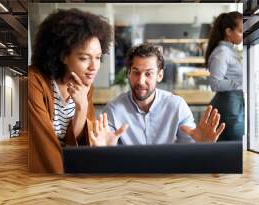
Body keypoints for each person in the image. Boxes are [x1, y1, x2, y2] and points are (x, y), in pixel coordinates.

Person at [28, 9, 125, 173]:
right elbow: (43, 145)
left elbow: (77, 144)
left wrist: (81, 108)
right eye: (84, 58)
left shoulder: (86, 87)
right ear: (63, 56)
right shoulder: (34, 81)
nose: (94, 67)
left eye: (98, 57)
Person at [89, 43, 225, 146]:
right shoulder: (114, 110)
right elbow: (105, 146)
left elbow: (191, 150)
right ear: (128, 74)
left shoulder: (176, 106)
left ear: (159, 75)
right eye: (136, 72)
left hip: (169, 179)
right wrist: (103, 150)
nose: (141, 81)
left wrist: (204, 146)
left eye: (148, 74)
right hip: (129, 179)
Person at [205, 11, 244, 141]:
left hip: (234, 104)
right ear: (228, 31)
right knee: (234, 145)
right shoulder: (222, 52)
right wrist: (242, 82)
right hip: (228, 106)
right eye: (240, 31)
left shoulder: (229, 51)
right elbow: (215, 84)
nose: (243, 35)